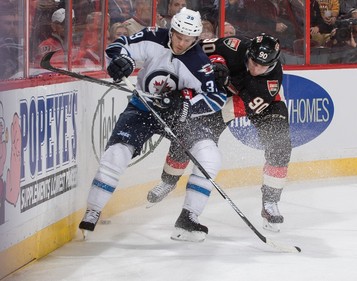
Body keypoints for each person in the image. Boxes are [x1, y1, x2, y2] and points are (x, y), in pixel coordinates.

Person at [78, 8, 227, 242]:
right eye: (178, 36)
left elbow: (215, 98)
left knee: (210, 157)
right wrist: (122, 60)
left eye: (188, 40)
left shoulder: (200, 63)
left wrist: (185, 103)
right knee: (117, 153)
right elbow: (118, 47)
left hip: (178, 117)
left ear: (196, 38)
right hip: (143, 107)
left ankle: (189, 217)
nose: (181, 43)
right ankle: (93, 210)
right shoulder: (154, 36)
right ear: (173, 29)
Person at [148, 33, 292, 232]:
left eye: (263, 66)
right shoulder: (234, 46)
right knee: (189, 133)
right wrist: (218, 62)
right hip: (222, 95)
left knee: (280, 144)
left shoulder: (270, 83)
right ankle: (168, 180)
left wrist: (197, 107)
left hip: (261, 104)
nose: (256, 69)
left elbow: (235, 108)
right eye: (253, 62)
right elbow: (198, 48)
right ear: (248, 52)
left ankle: (270, 203)